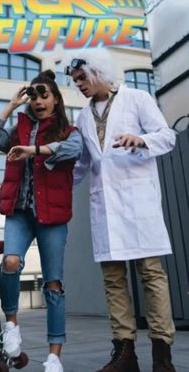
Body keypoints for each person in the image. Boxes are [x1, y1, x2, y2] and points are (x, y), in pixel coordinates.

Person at [64, 49, 177, 372]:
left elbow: (166, 136)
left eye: (83, 78)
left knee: (151, 275)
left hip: (137, 202)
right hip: (105, 206)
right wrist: (57, 184)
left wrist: (140, 141)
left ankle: (162, 353)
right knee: (113, 280)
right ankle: (124, 352)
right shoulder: (83, 117)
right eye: (75, 81)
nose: (79, 85)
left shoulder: (137, 98)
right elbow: (84, 164)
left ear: (100, 72)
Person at [0, 70, 83, 372]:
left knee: (53, 284)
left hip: (52, 218)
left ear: (55, 99)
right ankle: (11, 326)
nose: (38, 101)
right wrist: (11, 105)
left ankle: (54, 357)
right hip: (20, 213)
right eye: (33, 95)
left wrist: (34, 151)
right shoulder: (19, 130)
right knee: (11, 262)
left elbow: (75, 150)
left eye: (44, 95)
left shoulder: (67, 130)